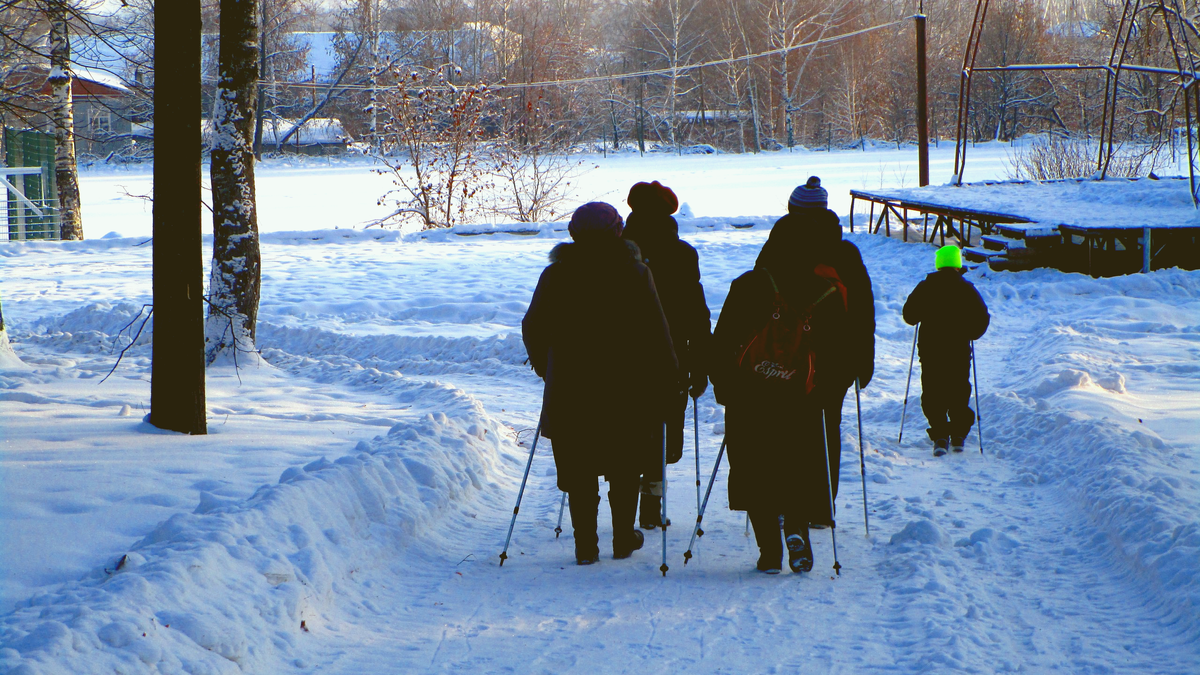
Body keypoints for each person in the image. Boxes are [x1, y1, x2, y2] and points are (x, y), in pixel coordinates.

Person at [710, 177, 864, 575]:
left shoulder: (750, 283)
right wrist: (837, 382)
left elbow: (723, 340)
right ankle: (800, 524)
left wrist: (724, 385)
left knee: (755, 466)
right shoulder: (828, 286)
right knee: (801, 461)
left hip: (752, 394)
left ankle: (768, 551)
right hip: (806, 393)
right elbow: (844, 341)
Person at [522, 202, 679, 565]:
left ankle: (585, 546)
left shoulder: (556, 275)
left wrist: (547, 367)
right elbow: (658, 333)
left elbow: (532, 326)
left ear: (573, 234)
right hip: (627, 389)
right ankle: (623, 538)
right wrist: (668, 377)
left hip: (570, 389)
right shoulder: (636, 273)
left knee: (579, 467)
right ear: (618, 231)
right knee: (625, 465)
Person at [621, 180, 712, 530]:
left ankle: (624, 513)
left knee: (626, 431)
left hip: (621, 356)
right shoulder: (683, 254)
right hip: (672, 356)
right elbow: (696, 313)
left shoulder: (617, 251)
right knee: (661, 431)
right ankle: (650, 507)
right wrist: (701, 364)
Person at [902, 244, 990, 455]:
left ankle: (940, 436)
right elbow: (982, 317)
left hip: (930, 350)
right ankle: (958, 435)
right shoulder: (967, 289)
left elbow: (909, 316)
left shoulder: (926, 287)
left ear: (938, 264)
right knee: (959, 390)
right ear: (958, 265)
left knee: (933, 391)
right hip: (958, 350)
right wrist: (972, 333)